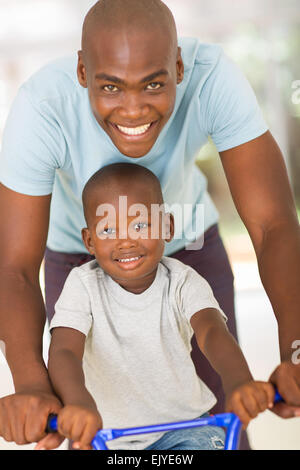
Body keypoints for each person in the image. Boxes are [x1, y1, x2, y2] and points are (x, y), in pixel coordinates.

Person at [0, 0, 299, 450]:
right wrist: (32, 385)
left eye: (153, 83)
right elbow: (16, 268)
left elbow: (273, 224)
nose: (134, 109)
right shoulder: (43, 107)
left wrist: (297, 351)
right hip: (78, 254)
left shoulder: (212, 77)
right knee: (91, 422)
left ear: (178, 66)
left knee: (220, 417)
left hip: (188, 242)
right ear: (83, 73)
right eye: (112, 87)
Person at [35, 163, 275, 451]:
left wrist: (238, 381)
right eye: (108, 229)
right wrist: (77, 402)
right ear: (89, 241)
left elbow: (212, 332)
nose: (125, 241)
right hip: (106, 435)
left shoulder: (183, 281)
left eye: (140, 225)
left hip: (186, 428)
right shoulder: (81, 285)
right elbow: (63, 350)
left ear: (167, 227)